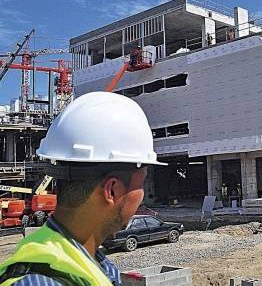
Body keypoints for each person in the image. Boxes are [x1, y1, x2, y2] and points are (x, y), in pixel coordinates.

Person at [0, 92, 166, 285]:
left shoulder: (88, 262)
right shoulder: (40, 281)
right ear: (112, 191)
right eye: (141, 184)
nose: (142, 196)